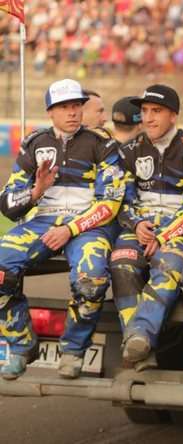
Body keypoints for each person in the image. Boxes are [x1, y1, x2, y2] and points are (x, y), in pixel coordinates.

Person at [0, 79, 124, 379]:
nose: (72, 112)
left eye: (76, 106)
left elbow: (110, 203)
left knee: (91, 279)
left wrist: (70, 229)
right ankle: (21, 344)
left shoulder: (102, 144)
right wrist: (35, 192)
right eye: (64, 107)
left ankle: (73, 350)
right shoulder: (34, 143)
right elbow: (7, 203)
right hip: (44, 221)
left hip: (90, 224)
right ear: (50, 112)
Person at [110, 84, 183, 372]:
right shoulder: (129, 150)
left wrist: (165, 235)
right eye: (145, 111)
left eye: (157, 111)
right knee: (122, 263)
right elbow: (119, 200)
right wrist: (136, 224)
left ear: (173, 116)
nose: (149, 118)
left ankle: (139, 338)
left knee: (168, 264)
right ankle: (141, 349)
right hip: (140, 227)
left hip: (179, 230)